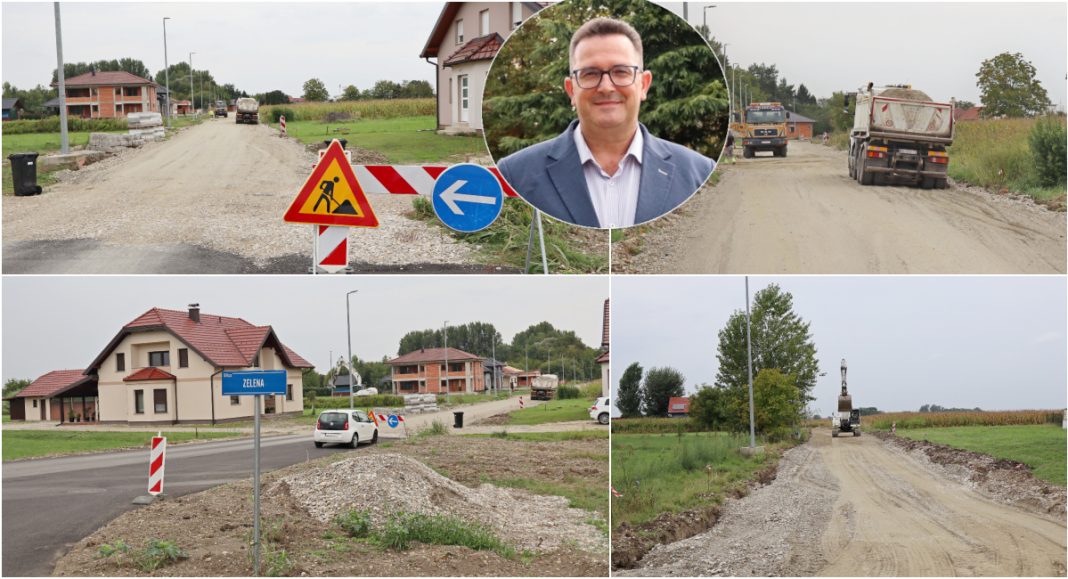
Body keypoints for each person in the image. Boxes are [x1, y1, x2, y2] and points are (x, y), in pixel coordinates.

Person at [497, 17, 714, 228]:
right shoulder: (515, 175)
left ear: (644, 85)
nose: (606, 87)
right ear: (571, 89)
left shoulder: (699, 173)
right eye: (590, 73)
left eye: (621, 72)